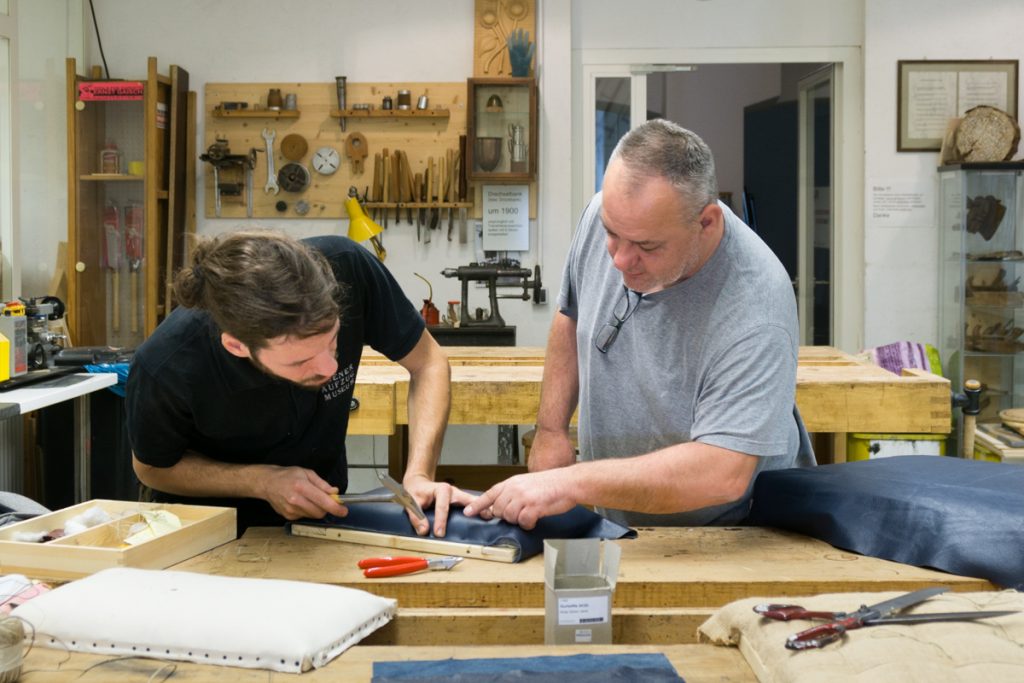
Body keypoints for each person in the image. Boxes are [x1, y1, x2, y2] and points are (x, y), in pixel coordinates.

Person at [465, 119, 815, 530]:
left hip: (730, 533)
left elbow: (722, 473)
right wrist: (551, 430)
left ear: (707, 223)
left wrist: (571, 482)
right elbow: (570, 314)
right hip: (619, 517)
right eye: (613, 235)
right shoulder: (605, 216)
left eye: (647, 247)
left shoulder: (756, 307)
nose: (619, 260)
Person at [126, 230, 472, 536]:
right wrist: (261, 481)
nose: (329, 367)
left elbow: (428, 362)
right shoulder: (167, 364)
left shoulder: (348, 266)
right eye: (300, 361)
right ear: (238, 346)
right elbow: (152, 468)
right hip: (206, 529)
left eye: (333, 339)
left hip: (318, 518)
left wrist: (419, 476)